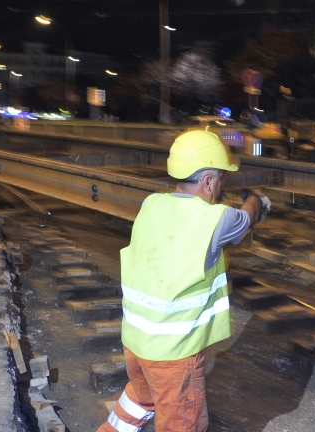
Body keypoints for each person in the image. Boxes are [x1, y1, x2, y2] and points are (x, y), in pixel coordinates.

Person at [97, 130, 270, 432]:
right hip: (173, 354)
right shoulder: (216, 219)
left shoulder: (151, 204)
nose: (221, 184)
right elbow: (247, 219)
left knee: (141, 398)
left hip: (136, 342)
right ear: (206, 181)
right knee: (183, 424)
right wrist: (259, 199)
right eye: (220, 178)